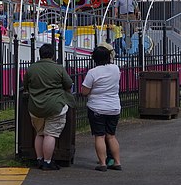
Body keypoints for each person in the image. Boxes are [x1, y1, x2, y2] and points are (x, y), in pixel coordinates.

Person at [23, 43, 74, 171]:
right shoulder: (59, 68)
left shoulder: (31, 69)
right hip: (55, 106)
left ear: (40, 54)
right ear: (53, 55)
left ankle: (39, 159)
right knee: (50, 134)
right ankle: (47, 162)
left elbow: (26, 86)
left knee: (39, 133)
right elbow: (68, 85)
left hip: (35, 107)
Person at [81, 46, 122, 171]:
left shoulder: (93, 72)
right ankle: (117, 162)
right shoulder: (116, 68)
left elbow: (84, 91)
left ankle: (102, 163)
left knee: (100, 136)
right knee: (111, 136)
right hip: (114, 107)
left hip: (97, 108)